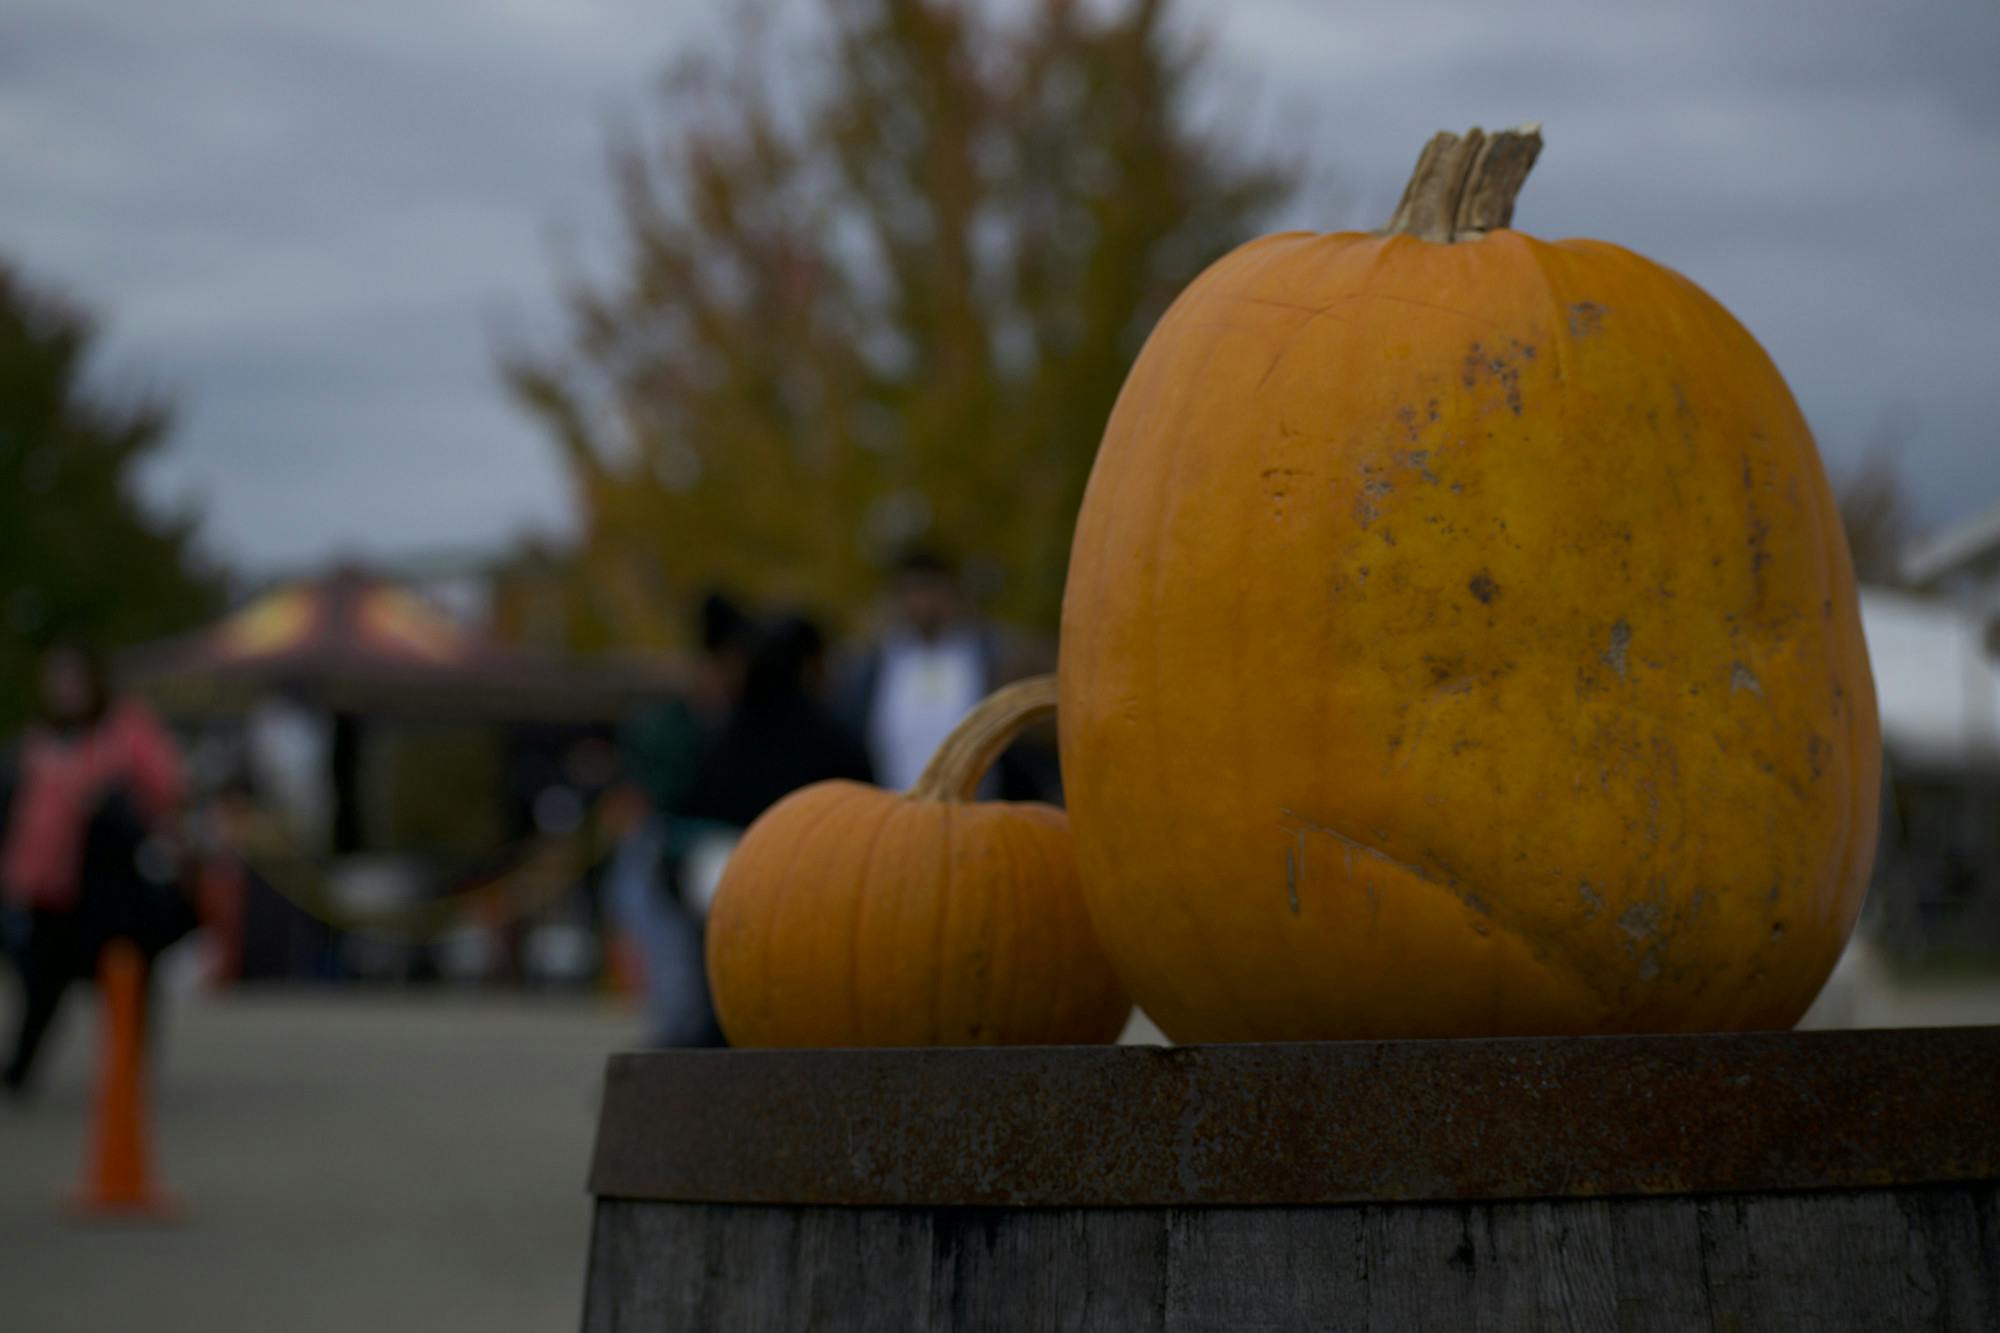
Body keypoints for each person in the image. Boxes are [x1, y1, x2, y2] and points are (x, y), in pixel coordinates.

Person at [2, 645, 191, 1096]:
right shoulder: (40, 742)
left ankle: (126, 1074)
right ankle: (22, 1069)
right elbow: (28, 823)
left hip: (112, 885)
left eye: (72, 680)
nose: (63, 690)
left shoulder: (125, 729)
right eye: (56, 681)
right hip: (51, 888)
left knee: (125, 978)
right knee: (40, 981)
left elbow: (167, 787)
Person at [836, 548, 1060, 802]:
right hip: (893, 809)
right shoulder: (872, 664)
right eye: (911, 592)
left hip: (983, 810)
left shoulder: (992, 655)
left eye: (929, 590)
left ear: (952, 592)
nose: (921, 604)